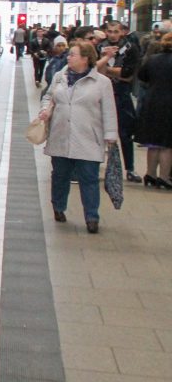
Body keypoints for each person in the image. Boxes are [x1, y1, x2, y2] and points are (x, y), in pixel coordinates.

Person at [39, 41, 118, 234]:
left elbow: (109, 111)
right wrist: (44, 110)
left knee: (89, 178)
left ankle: (92, 217)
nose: (68, 57)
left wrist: (110, 136)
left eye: (72, 54)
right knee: (60, 175)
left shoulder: (102, 82)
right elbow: (48, 96)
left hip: (88, 137)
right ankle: (58, 207)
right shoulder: (60, 78)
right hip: (61, 134)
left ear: (85, 58)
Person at [95, 20, 142, 182]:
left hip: (121, 95)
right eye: (110, 31)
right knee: (98, 131)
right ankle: (95, 165)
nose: (113, 35)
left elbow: (127, 74)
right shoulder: (99, 47)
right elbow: (93, 72)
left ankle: (130, 168)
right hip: (100, 95)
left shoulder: (131, 48)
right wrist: (109, 68)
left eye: (116, 31)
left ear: (122, 32)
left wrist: (105, 66)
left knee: (125, 133)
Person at [134, 32, 172, 189]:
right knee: (167, 143)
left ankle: (150, 174)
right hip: (170, 103)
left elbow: (142, 76)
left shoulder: (153, 59)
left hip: (152, 101)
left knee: (153, 142)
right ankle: (164, 177)